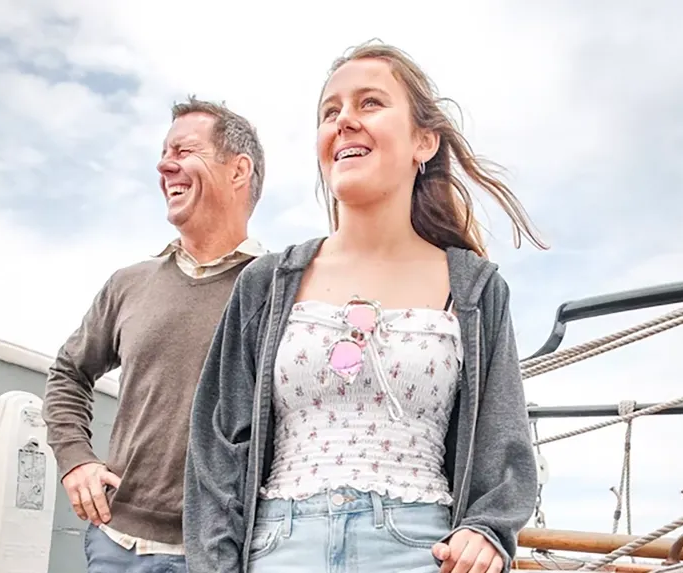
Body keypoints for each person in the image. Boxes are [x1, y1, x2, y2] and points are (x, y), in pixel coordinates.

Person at [183, 40, 548, 573]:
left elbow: (504, 436)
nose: (345, 121)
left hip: (420, 552)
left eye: (369, 103)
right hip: (278, 550)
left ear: (424, 140)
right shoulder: (265, 283)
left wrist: (487, 531)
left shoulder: (475, 289)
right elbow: (216, 446)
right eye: (331, 112)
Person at [43, 96, 267, 572]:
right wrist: (76, 458)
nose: (166, 166)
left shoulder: (275, 287)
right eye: (165, 153)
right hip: (112, 545)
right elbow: (68, 372)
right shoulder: (130, 283)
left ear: (238, 170)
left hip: (215, 554)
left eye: (185, 151)